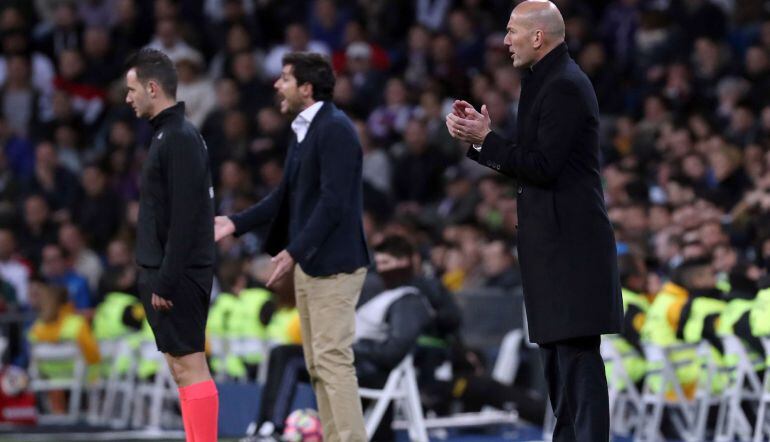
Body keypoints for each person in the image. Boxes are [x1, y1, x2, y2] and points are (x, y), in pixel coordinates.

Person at [445, 1, 623, 440]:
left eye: (511, 32)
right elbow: (533, 160)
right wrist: (483, 140)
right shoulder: (544, 81)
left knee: (577, 361)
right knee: (558, 367)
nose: (505, 41)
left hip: (571, 247)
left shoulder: (563, 85)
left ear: (538, 36)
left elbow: (543, 166)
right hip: (552, 245)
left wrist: (487, 141)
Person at [215, 51, 371, 442]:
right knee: (318, 363)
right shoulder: (305, 130)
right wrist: (234, 223)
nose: (276, 85)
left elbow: (334, 203)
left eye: (284, 78)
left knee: (333, 360)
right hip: (312, 264)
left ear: (306, 87)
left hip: (334, 264)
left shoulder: (334, 128)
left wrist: (293, 251)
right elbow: (283, 197)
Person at [125, 48, 218, 442]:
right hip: (168, 271)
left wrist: (165, 279)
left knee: (191, 366)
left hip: (176, 275)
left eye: (131, 90)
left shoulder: (178, 137)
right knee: (181, 369)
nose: (127, 98)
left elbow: (184, 217)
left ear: (151, 87)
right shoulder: (170, 134)